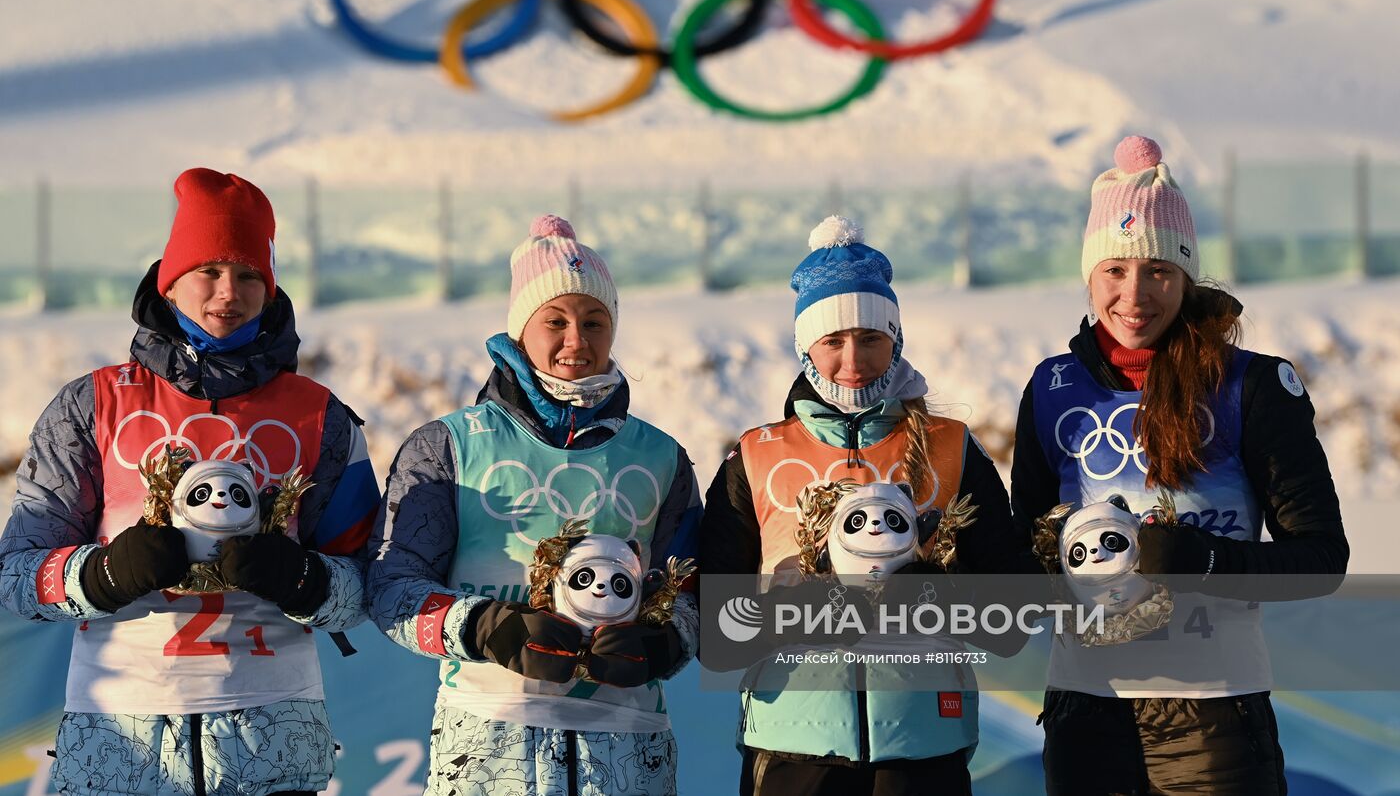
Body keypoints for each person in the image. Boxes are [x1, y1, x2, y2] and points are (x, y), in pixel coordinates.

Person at [0, 169, 380, 796]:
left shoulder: (321, 416)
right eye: (209, 269)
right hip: (119, 752)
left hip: (272, 750)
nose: (229, 291)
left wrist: (304, 580)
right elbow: (16, 575)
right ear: (170, 280)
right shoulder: (90, 405)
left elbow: (371, 587)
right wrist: (100, 575)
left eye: (250, 274)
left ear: (271, 286)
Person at [1010, 135, 1350, 794]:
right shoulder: (1051, 388)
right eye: (1114, 270)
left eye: (1158, 271)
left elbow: (1320, 559)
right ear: (1089, 275)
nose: (1134, 293)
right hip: (1086, 708)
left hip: (1214, 712)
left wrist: (1204, 560)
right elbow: (1024, 563)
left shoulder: (1251, 385)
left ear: (1187, 277)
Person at [367, 214, 702, 796]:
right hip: (489, 746)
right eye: (556, 321)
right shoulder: (446, 445)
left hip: (625, 747)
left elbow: (694, 592)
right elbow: (391, 588)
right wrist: (482, 626)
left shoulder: (662, 457)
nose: (577, 340)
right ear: (522, 330)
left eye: (595, 321)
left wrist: (663, 643)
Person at [699, 215, 1032, 796]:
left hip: (925, 743)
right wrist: (794, 609)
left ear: (896, 341)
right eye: (833, 340)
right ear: (805, 346)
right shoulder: (756, 456)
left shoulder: (951, 447)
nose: (853, 360)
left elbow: (1013, 619)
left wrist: (935, 595)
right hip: (792, 745)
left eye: (872, 338)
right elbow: (716, 637)